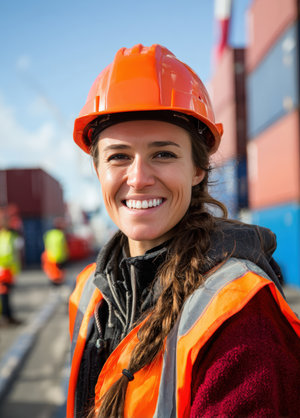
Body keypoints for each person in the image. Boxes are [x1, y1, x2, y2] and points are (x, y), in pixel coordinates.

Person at [67, 44, 300, 417]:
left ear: (197, 170)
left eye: (163, 154)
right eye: (119, 156)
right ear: (97, 170)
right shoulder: (88, 293)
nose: (139, 179)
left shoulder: (240, 315)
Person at [0, 212, 23, 326]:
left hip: (9, 270)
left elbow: (16, 251)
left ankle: (8, 316)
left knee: (6, 294)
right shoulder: (5, 236)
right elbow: (6, 253)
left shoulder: (11, 235)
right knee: (4, 294)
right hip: (4, 270)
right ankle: (6, 317)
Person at [41, 217, 69, 285]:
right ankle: (59, 287)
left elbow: (46, 246)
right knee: (59, 275)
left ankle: (54, 288)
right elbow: (64, 247)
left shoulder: (48, 234)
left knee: (53, 274)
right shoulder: (61, 234)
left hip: (50, 257)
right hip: (60, 258)